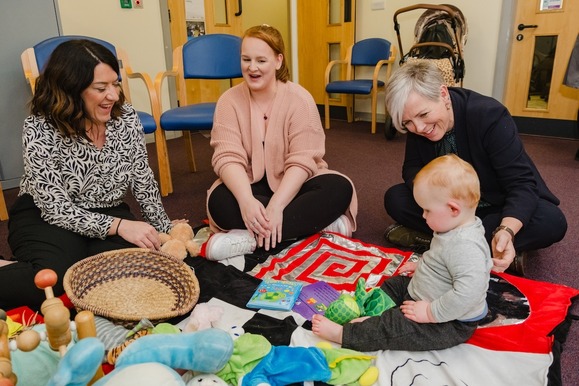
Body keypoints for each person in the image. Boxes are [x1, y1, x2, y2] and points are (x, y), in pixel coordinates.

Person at [0, 39, 179, 312]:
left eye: (115, 84)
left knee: (140, 270)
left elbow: (142, 177)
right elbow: (56, 209)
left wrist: (166, 233)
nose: (114, 95)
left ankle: (71, 256)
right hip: (48, 216)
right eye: (101, 88)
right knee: (51, 283)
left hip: (108, 211)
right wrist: (120, 227)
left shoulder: (126, 117)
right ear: (71, 89)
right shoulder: (39, 127)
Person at [383, 60, 567, 275]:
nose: (420, 128)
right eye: (408, 123)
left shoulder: (489, 115)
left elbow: (521, 183)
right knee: (395, 198)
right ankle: (483, 249)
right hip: (453, 208)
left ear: (443, 94)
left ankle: (442, 244)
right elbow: (412, 168)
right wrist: (437, 195)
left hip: (497, 205)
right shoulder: (419, 125)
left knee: (552, 221)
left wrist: (506, 229)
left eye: (423, 115)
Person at [203, 24, 357, 261]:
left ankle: (249, 240)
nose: (252, 68)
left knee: (339, 188)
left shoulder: (300, 99)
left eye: (261, 61)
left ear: (278, 60)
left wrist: (276, 207)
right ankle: (316, 230)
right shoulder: (228, 101)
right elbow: (227, 157)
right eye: (246, 59)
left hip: (294, 188)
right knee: (219, 202)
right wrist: (246, 202)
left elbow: (303, 160)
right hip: (251, 186)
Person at [312, 154, 492, 352]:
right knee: (395, 284)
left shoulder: (465, 246)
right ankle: (373, 313)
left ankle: (345, 334)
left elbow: (468, 293)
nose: (422, 216)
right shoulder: (453, 228)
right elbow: (443, 258)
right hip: (423, 293)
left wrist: (430, 313)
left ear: (453, 209)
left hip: (448, 321)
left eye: (427, 210)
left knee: (393, 327)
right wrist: (423, 266)